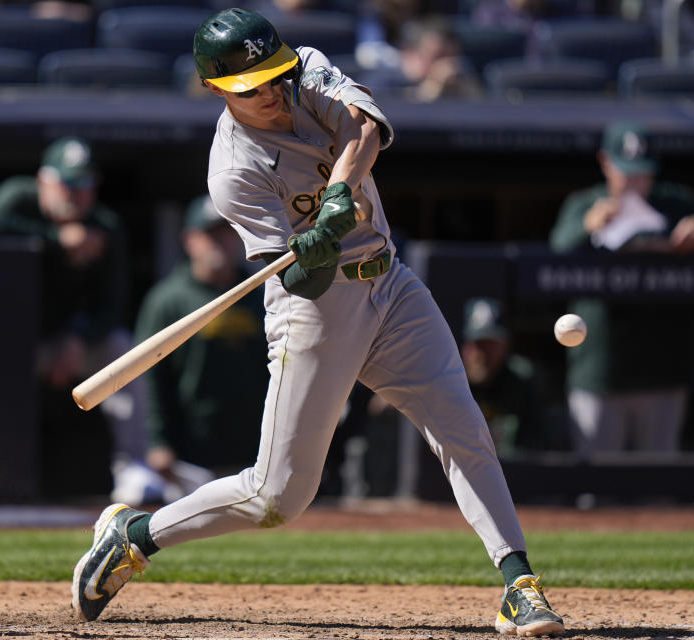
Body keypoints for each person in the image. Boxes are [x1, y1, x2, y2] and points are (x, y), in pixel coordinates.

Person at [71, 8, 564, 637]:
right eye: (254, 88)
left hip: (390, 284)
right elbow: (298, 282)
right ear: (217, 90)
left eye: (275, 77)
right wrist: (314, 249)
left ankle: (517, 584)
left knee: (462, 428)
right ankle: (134, 535)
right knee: (277, 497)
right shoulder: (233, 172)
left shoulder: (306, 70)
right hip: (315, 310)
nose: (275, 94)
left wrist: (337, 196)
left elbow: (365, 129)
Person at [0, 136, 149, 499]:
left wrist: (78, 339)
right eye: (66, 183)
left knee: (122, 348)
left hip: (70, 343)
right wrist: (56, 238)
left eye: (83, 185)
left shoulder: (105, 226)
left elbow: (112, 305)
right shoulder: (18, 199)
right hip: (9, 344)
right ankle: (0, 475)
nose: (75, 194)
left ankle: (133, 468)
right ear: (43, 182)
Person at [549, 120, 694, 458]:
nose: (636, 183)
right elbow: (557, 247)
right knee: (598, 490)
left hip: (663, 368)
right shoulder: (586, 204)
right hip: (601, 370)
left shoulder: (676, 203)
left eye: (643, 172)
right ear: (605, 162)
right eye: (627, 172)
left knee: (658, 489)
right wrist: (586, 227)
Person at [134, 194, 270, 503]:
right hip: (190, 455)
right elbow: (150, 379)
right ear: (189, 240)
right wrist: (158, 441)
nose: (219, 243)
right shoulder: (168, 301)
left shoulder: (263, 296)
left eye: (226, 233)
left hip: (256, 451)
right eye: (209, 234)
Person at [460, 297, 548, 457]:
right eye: (479, 344)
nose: (483, 354)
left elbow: (533, 443)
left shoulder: (520, 380)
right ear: (466, 347)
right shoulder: (451, 384)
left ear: (504, 346)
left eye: (491, 344)